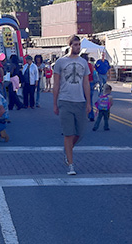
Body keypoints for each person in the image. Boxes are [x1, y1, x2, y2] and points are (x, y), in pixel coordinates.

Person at [53, 35, 91, 176]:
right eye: (75, 45)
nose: (77, 47)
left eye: (79, 45)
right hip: (65, 100)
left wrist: (89, 102)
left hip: (80, 101)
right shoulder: (60, 62)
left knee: (79, 133)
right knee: (68, 133)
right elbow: (56, 84)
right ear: (70, 46)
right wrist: (55, 103)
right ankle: (70, 164)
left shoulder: (84, 63)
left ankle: (67, 150)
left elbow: (86, 83)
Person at [81, 53, 97, 121]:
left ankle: (83, 116)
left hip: (84, 84)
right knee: (89, 100)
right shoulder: (90, 65)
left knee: (82, 101)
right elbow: (94, 75)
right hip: (91, 83)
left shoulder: (82, 66)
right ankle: (91, 115)